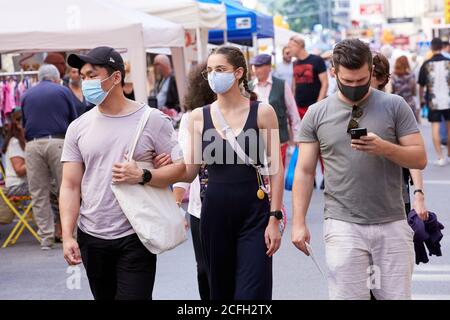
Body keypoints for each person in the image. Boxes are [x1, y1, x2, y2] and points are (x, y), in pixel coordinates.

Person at [291, 39, 427, 300]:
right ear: (334, 72)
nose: (355, 86)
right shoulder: (316, 113)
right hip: (342, 224)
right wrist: (299, 222)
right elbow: (305, 171)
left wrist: (385, 148)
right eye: (348, 81)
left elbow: (419, 158)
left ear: (371, 70)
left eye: (361, 80)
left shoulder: (395, 105)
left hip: (392, 222)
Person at [61, 46, 186, 300]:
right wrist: (67, 235)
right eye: (83, 76)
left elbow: (182, 169)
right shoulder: (78, 127)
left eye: (92, 75)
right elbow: (70, 185)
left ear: (116, 77)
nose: (86, 82)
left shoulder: (152, 119)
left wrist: (144, 175)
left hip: (136, 233)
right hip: (92, 236)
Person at [182, 45, 284, 300]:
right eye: (210, 70)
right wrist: (148, 173)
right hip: (214, 212)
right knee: (222, 292)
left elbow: (276, 169)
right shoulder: (198, 117)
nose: (214, 75)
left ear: (239, 73)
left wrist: (275, 217)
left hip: (254, 211)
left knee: (253, 292)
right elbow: (189, 170)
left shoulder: (262, 112)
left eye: (220, 69)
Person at [21, 64, 77, 250]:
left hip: (32, 145)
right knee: (67, 188)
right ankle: (71, 234)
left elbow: (24, 123)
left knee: (39, 193)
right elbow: (74, 121)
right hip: (58, 142)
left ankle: (46, 237)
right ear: (56, 77)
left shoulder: (27, 94)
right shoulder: (63, 91)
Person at [172, 62, 216, 300]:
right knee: (204, 269)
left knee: (228, 269)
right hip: (200, 208)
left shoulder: (245, 113)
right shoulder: (190, 119)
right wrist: (176, 204)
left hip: (238, 206)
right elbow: (183, 163)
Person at [371, 53, 428, 219]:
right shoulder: (347, 106)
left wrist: (418, 193)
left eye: (368, 76)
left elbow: (414, 156)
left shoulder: (395, 107)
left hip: (395, 197)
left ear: (381, 79)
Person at [249, 53, 301, 166]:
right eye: (254, 66)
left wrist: (297, 135)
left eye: (259, 66)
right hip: (255, 139)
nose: (255, 70)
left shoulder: (281, 85)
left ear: (268, 67)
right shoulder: (249, 87)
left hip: (279, 138)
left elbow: (293, 111)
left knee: (277, 171)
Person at [418, 38, 450, 166]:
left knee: (435, 128)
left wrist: (421, 99)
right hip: (449, 100)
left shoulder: (426, 64)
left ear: (431, 48)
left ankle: (440, 157)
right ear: (442, 47)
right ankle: (449, 153)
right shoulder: (449, 62)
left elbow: (421, 85)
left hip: (433, 101)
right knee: (449, 128)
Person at [288, 35, 328, 119]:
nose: (289, 50)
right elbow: (295, 84)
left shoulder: (317, 60)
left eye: (290, 47)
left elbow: (325, 83)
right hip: (299, 107)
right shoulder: (294, 63)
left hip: (314, 106)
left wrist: (318, 104)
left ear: (298, 45)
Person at [392, 56, 419, 123]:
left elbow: (391, 91)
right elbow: (414, 91)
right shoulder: (411, 76)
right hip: (409, 104)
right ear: (407, 64)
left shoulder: (393, 76)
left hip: (396, 105)